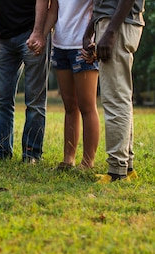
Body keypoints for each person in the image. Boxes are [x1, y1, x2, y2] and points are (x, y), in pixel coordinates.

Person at [0, 0, 49, 163]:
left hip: (32, 33)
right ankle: (1, 151)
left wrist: (39, 32)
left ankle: (32, 154)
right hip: (4, 37)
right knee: (1, 100)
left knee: (35, 102)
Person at [85, 0, 145, 182]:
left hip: (118, 25)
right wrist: (91, 29)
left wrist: (110, 31)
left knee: (115, 98)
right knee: (121, 96)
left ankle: (116, 172)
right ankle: (126, 167)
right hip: (115, 22)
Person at [44, 0, 100, 170]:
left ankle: (87, 161)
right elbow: (53, 11)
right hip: (61, 45)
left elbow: (99, 10)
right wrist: (40, 35)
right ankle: (68, 159)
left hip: (83, 47)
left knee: (87, 106)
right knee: (69, 106)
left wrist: (95, 41)